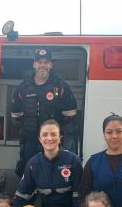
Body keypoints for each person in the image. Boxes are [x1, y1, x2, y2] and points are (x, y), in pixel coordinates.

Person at [11, 48, 78, 177]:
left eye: (46, 62)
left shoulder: (61, 86)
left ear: (51, 65)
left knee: (52, 175)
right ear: (34, 64)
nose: (43, 65)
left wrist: (54, 128)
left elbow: (70, 115)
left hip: (52, 141)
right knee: (29, 174)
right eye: (39, 62)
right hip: (29, 141)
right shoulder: (22, 88)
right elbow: (16, 116)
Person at [14, 120, 83, 207]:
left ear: (60, 138)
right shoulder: (33, 164)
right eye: (45, 134)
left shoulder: (73, 161)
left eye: (54, 134)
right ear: (39, 138)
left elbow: (79, 198)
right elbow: (23, 196)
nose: (49, 138)